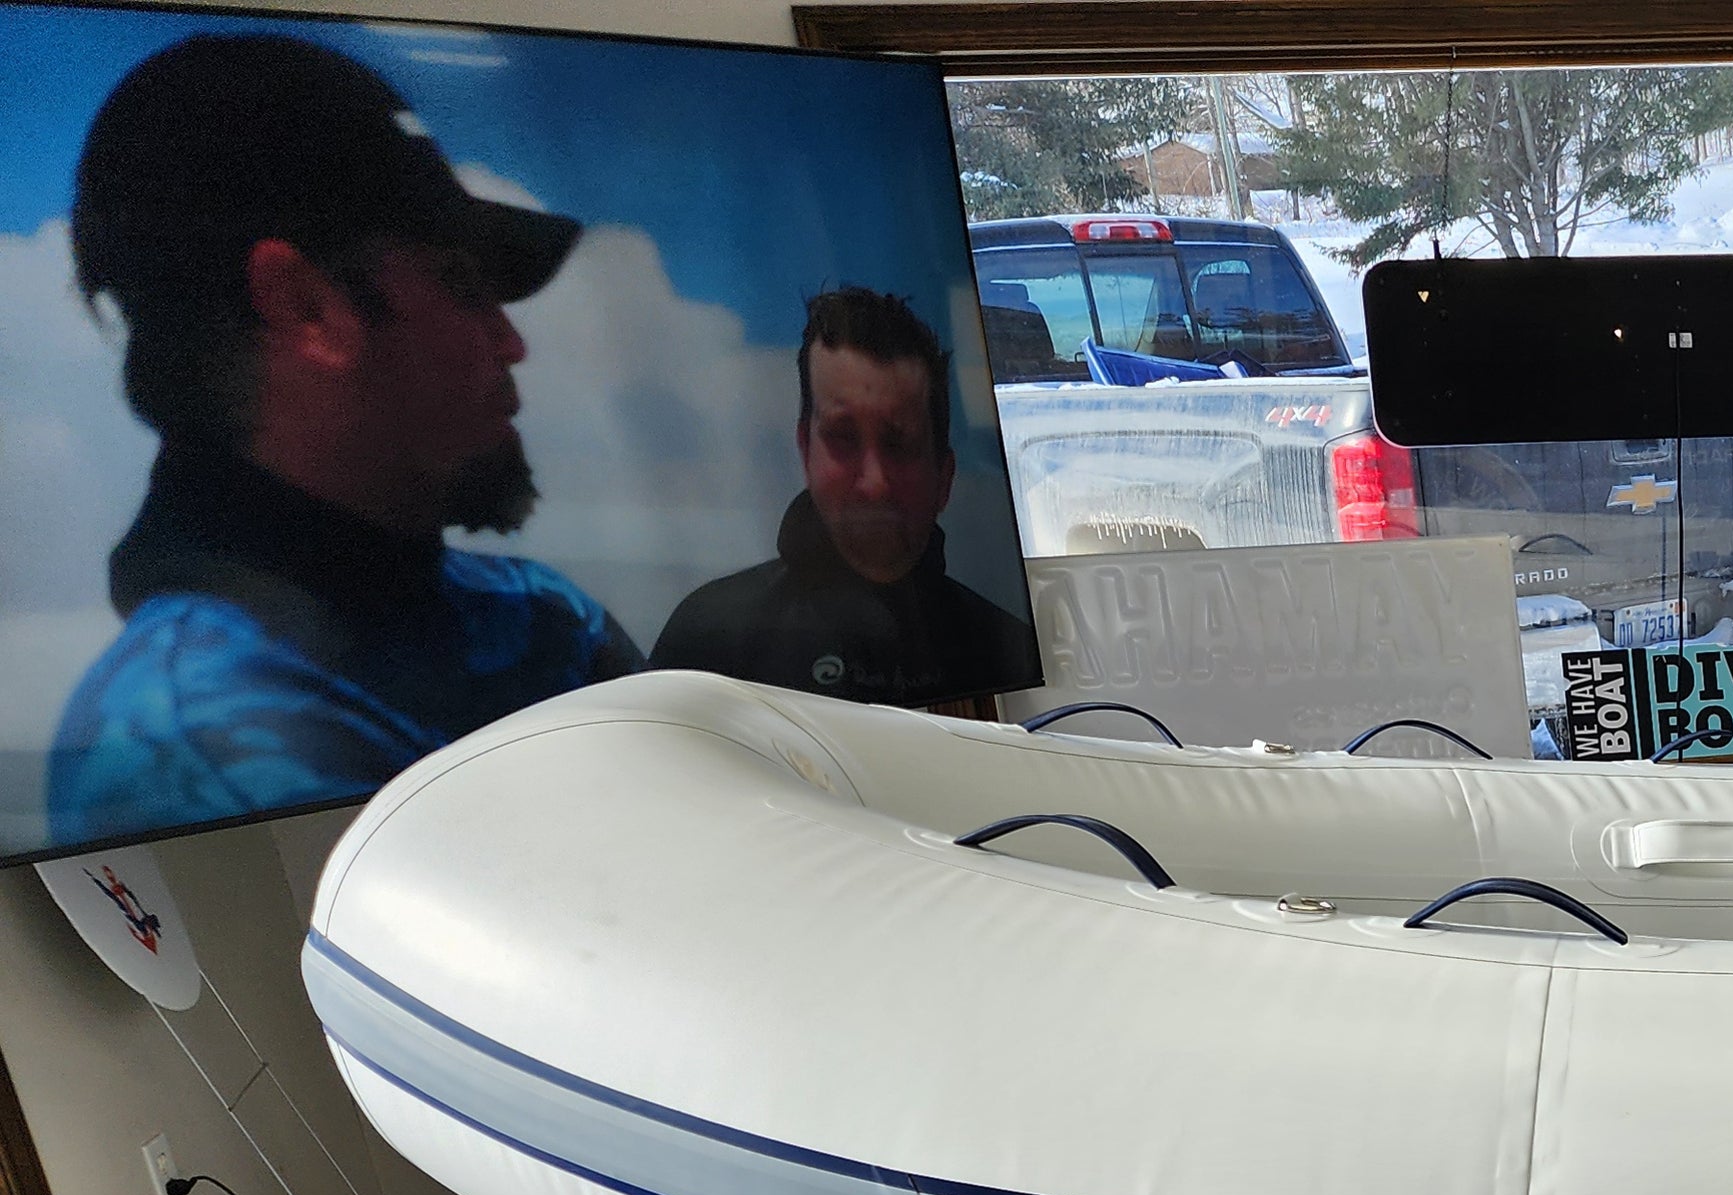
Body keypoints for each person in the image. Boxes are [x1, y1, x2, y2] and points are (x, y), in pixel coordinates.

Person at [49, 34, 642, 850]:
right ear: (307, 308)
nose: (511, 343)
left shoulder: (546, 619)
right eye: (463, 285)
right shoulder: (192, 744)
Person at [650, 289, 1037, 703]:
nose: (874, 482)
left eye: (899, 444)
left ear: (944, 476)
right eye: (842, 437)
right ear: (805, 450)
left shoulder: (1001, 647)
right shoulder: (705, 642)